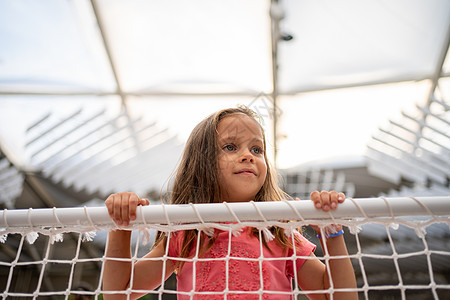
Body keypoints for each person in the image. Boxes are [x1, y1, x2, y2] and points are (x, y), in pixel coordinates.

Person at [103, 106, 357, 300]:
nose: (248, 156)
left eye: (257, 150)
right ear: (202, 163)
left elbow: (335, 296)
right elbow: (119, 293)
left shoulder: (278, 233)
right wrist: (121, 224)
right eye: (231, 147)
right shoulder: (188, 233)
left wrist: (332, 234)